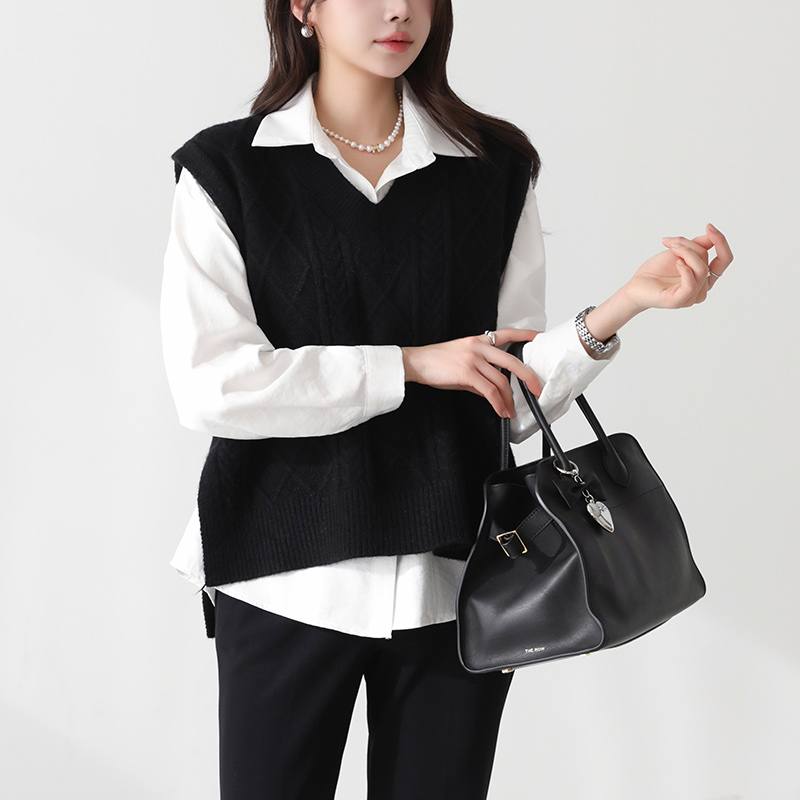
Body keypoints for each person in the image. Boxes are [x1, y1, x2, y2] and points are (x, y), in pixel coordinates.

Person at [159, 1, 733, 797]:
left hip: (458, 585)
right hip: (285, 577)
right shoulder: (227, 171)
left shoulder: (494, 169)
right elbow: (213, 386)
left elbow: (508, 393)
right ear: (303, 7)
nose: (399, 9)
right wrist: (409, 365)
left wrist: (619, 308)